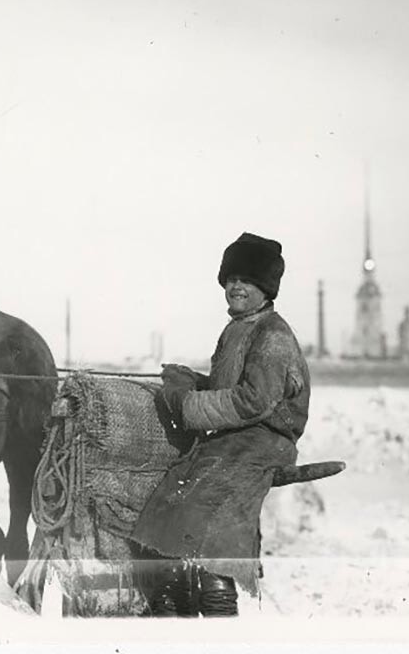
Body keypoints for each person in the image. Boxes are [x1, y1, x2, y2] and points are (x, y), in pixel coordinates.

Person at [129, 232, 311, 617]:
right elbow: (232, 389)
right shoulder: (238, 328)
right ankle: (172, 604)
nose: (236, 287)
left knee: (205, 519)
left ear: (266, 288)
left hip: (262, 442)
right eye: (231, 280)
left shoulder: (272, 333)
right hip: (235, 438)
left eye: (247, 281)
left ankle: (216, 608)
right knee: (165, 506)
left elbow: (255, 400)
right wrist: (191, 381)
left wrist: (189, 403)